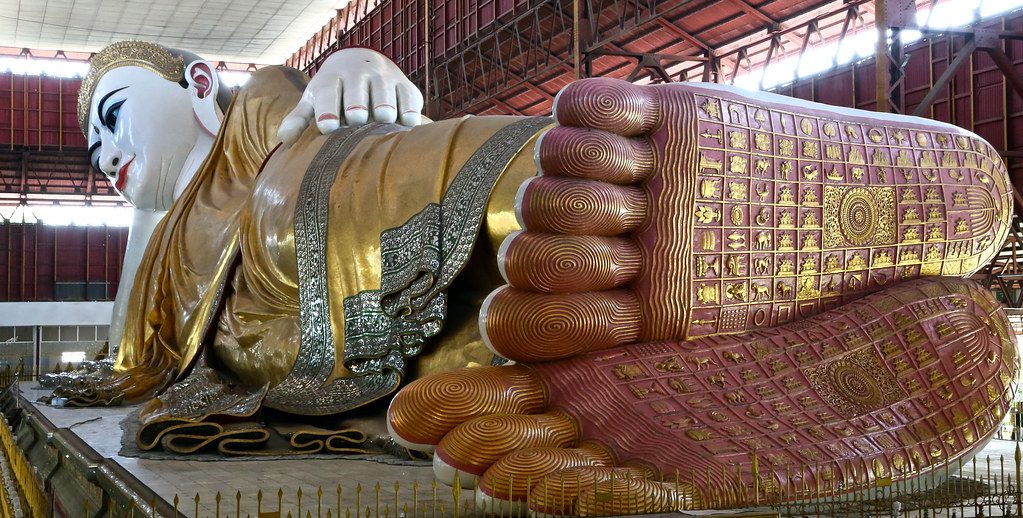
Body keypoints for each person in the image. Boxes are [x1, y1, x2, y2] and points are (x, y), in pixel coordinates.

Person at [55, 40, 1017, 515]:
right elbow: (145, 361)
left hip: (323, 205)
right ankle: (684, 338)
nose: (102, 153)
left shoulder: (254, 116)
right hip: (323, 351)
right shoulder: (159, 267)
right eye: (90, 147)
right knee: (491, 362)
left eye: (109, 115)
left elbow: (324, 107)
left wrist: (349, 59)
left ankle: (636, 202)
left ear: (190, 87)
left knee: (335, 208)